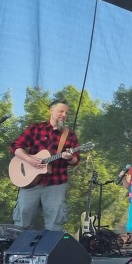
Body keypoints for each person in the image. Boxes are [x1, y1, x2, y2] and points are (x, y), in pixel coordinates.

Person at [11, 99, 79, 231]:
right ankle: (20, 244)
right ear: (51, 111)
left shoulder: (69, 134)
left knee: (54, 225)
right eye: (61, 111)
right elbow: (15, 146)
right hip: (29, 183)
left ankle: (51, 245)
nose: (64, 115)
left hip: (56, 183)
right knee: (22, 221)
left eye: (66, 113)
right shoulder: (36, 128)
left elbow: (76, 161)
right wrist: (29, 160)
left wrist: (69, 157)